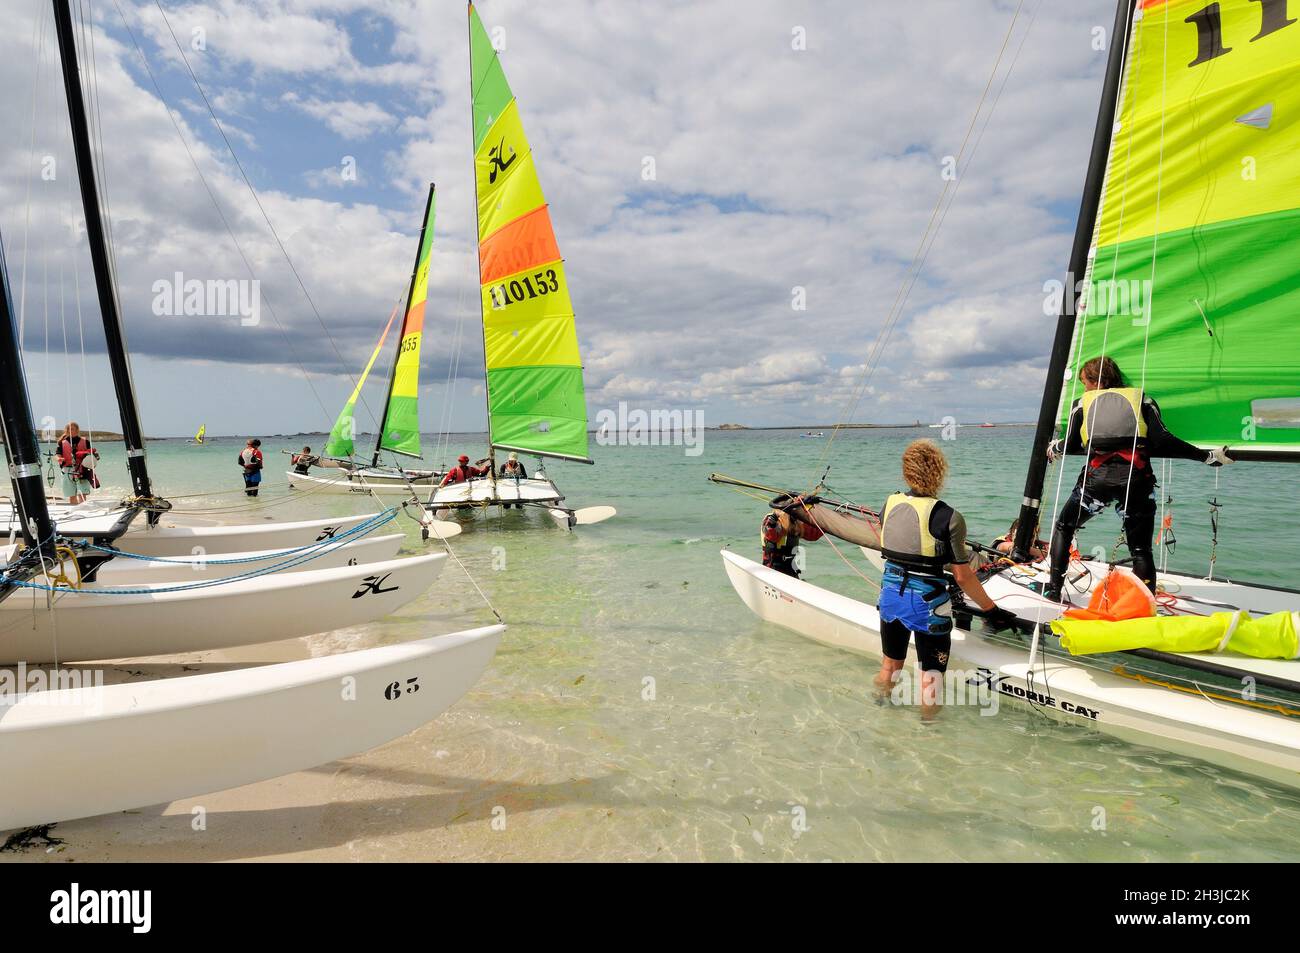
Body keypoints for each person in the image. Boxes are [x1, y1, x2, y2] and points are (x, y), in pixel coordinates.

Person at [1045, 356, 1232, 601]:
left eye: (1085, 383)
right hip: (1136, 482)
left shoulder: (1082, 403)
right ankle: (1145, 605)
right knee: (1141, 550)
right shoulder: (1142, 400)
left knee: (1064, 526)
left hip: (1096, 485)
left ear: (1097, 381)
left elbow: (1071, 443)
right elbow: (1163, 440)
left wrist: (1054, 448)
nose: (1085, 389)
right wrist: (1206, 457)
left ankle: (1054, 590)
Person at [874, 440, 1019, 718]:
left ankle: (879, 711)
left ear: (906, 473)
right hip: (927, 607)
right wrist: (991, 610)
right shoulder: (950, 517)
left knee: (890, 665)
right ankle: (928, 734)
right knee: (931, 678)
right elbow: (963, 576)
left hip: (890, 596)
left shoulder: (889, 504)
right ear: (940, 472)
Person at [761, 506, 824, 577]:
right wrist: (776, 517)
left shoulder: (796, 522)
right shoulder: (771, 520)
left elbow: (813, 534)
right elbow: (772, 535)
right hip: (772, 568)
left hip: (790, 568)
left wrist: (828, 522)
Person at [55, 421, 99, 504]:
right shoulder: (62, 443)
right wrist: (59, 458)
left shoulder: (85, 441)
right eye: (69, 429)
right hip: (67, 470)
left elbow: (92, 454)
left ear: (77, 430)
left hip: (82, 469)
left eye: (73, 429)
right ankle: (74, 509)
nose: (70, 431)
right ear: (66, 431)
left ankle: (83, 509)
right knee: (72, 494)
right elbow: (57, 454)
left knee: (82, 493)